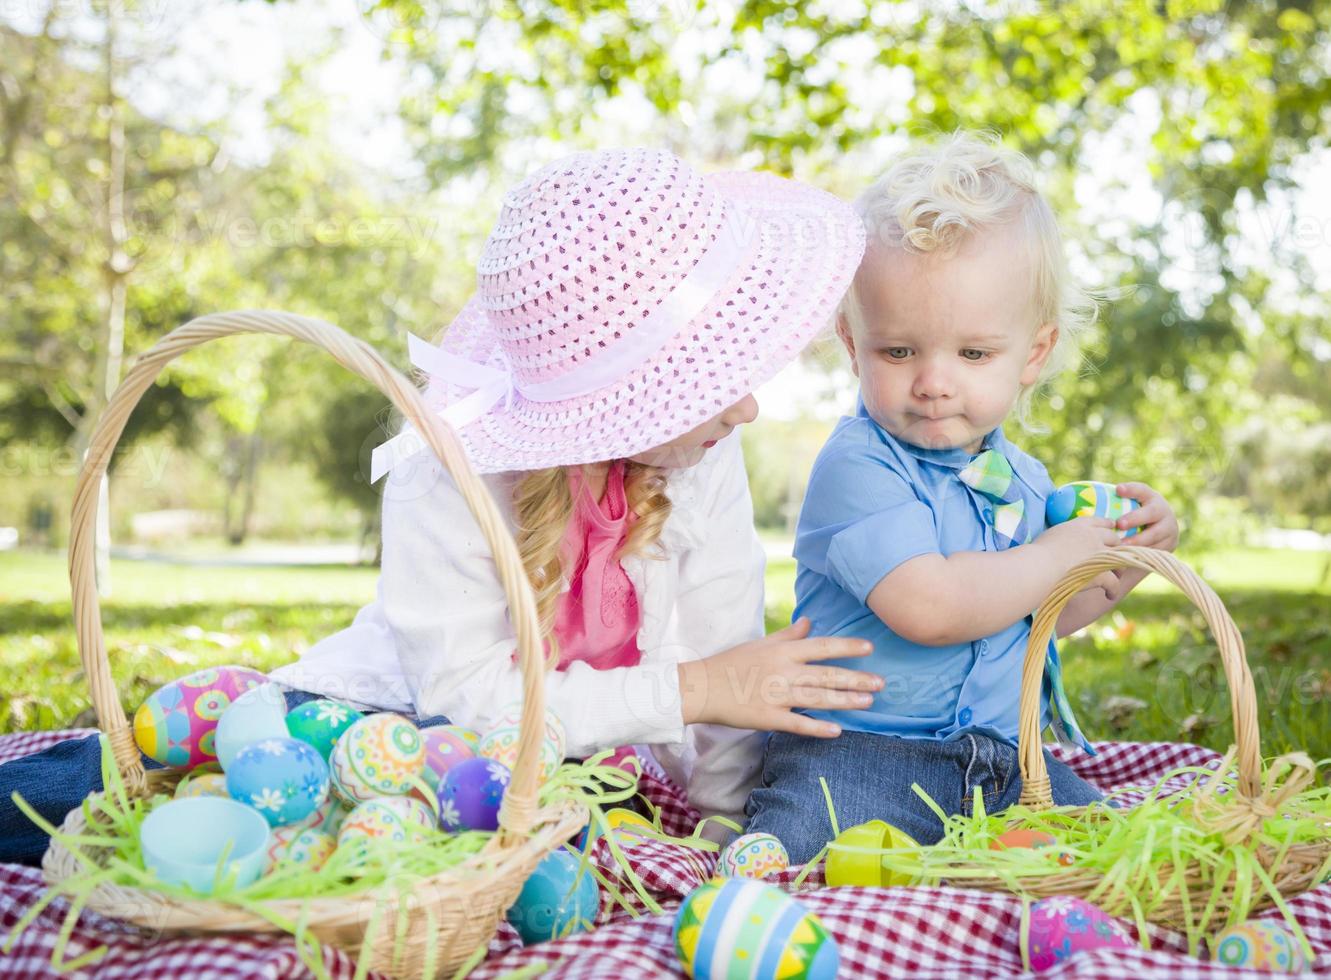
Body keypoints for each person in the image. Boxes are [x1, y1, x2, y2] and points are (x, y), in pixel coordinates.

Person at [0, 147, 881, 865]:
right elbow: (466, 702)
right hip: (392, 722)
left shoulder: (702, 457)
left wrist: (719, 833)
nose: (746, 408)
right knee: (196, 784)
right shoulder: (449, 473)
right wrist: (691, 689)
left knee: (513, 848)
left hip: (562, 763)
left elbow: (728, 669)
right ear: (621, 394)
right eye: (704, 384)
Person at [742, 133, 1181, 864]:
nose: (934, 381)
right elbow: (932, 607)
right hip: (859, 751)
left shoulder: (1023, 479)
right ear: (853, 345)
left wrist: (1115, 565)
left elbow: (1042, 612)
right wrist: (1051, 553)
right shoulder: (857, 465)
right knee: (804, 853)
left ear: (1031, 355)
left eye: (972, 354)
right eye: (899, 351)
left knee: (1119, 851)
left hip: (1006, 762)